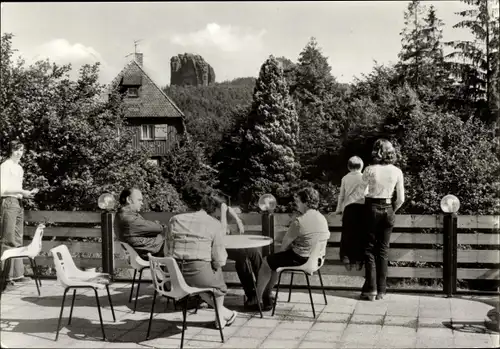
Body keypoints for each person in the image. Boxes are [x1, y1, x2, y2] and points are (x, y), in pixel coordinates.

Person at [166, 182, 237, 329]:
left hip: (173, 277)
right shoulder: (213, 223)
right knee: (216, 278)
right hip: (198, 275)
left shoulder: (174, 220)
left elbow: (167, 251)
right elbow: (220, 259)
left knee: (198, 280)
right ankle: (220, 319)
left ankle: (225, 314)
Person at [255, 187, 330, 311]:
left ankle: (257, 299)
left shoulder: (299, 222)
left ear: (305, 203)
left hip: (302, 259)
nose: (297, 205)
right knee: (275, 262)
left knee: (267, 262)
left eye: (298, 202)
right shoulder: (322, 218)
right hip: (317, 259)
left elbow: (284, 246)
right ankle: (267, 294)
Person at [358, 139, 405, 301]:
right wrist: (391, 210)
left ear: (376, 151)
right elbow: (401, 199)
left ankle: (371, 289)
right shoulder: (397, 171)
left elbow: (360, 193)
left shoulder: (370, 170)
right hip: (388, 208)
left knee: (369, 250)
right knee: (383, 251)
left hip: (372, 208)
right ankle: (382, 291)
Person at [212, 194, 264, 309]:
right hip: (214, 250)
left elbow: (229, 209)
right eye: (221, 208)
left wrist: (237, 219)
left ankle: (263, 291)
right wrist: (224, 214)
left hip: (224, 246)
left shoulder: (218, 214)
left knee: (254, 252)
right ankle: (252, 296)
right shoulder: (210, 217)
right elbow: (222, 233)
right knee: (243, 256)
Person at [0, 141, 39, 285]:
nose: (19, 153)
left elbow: (17, 189)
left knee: (17, 239)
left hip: (18, 203)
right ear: (10, 150)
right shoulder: (5, 166)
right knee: (8, 239)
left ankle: (17, 275)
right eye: (16, 150)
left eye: (21, 150)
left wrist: (26, 194)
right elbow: (2, 190)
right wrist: (21, 191)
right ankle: (5, 279)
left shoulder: (20, 168)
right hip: (8, 202)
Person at [114, 188, 166, 261]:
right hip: (153, 254)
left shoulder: (124, 216)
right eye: (139, 200)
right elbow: (158, 228)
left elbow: (148, 227)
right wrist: (159, 225)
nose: (142, 203)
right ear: (129, 200)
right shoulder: (129, 219)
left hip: (153, 250)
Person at [334, 156, 366, 271]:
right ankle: (358, 260)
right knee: (360, 235)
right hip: (362, 208)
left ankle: (346, 258)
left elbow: (341, 196)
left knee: (347, 234)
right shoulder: (364, 178)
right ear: (361, 166)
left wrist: (338, 210)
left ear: (348, 167)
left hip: (349, 209)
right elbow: (366, 194)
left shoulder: (345, 178)